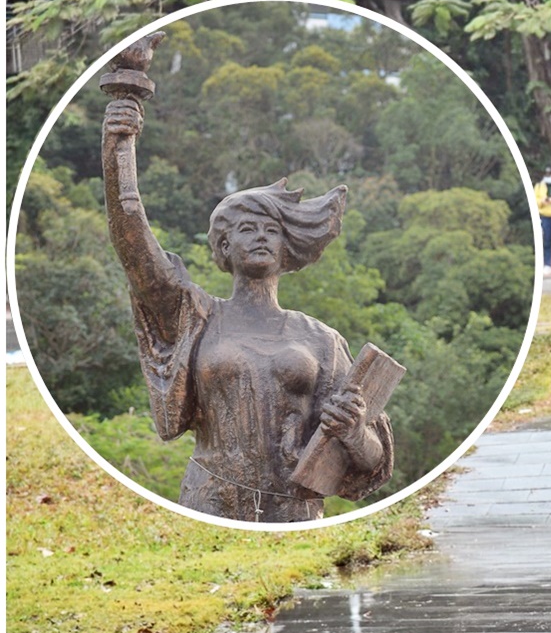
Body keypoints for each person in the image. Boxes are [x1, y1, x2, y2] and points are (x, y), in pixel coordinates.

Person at [103, 97, 394, 524]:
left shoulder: (320, 340)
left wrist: (353, 432)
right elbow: (131, 236)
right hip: (210, 501)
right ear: (224, 245)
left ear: (287, 246)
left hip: (295, 508)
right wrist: (120, 141)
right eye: (246, 229)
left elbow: (372, 462)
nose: (260, 237)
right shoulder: (196, 316)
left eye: (271, 230)